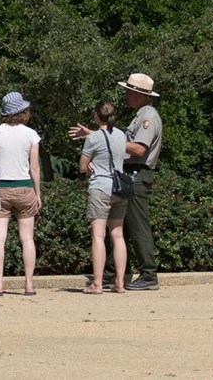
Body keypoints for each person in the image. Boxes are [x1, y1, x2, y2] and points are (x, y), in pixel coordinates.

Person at [70, 73, 162, 291]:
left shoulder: (147, 116)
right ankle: (111, 273)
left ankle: (148, 274)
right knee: (120, 230)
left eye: (130, 91)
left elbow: (139, 148)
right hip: (126, 175)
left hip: (137, 173)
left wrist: (95, 137)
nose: (126, 95)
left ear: (140, 94)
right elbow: (115, 140)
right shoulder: (140, 114)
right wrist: (97, 135)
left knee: (137, 225)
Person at [0, 91, 42, 296]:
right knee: (27, 238)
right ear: (22, 112)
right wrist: (38, 193)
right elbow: (34, 167)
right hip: (25, 188)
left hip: (1, 188)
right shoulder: (31, 134)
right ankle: (28, 284)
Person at [79, 101, 129, 294]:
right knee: (118, 235)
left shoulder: (93, 139)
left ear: (96, 115)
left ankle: (97, 284)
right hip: (120, 189)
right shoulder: (120, 135)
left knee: (98, 235)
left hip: (100, 187)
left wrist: (89, 165)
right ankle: (120, 283)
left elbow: (83, 166)